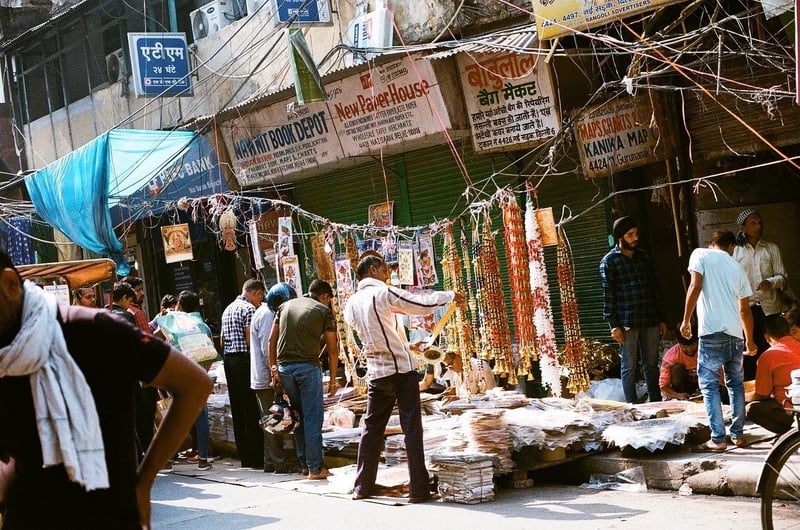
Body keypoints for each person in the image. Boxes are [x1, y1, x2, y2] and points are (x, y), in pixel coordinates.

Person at [0, 250, 212, 528]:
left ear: (9, 284)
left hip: (105, 515)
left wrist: (145, 480)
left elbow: (195, 384)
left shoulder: (94, 330)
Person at [344, 254, 464, 502]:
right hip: (400, 371)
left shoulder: (351, 304)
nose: (387, 273)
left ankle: (362, 487)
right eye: (385, 269)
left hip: (377, 373)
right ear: (374, 270)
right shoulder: (383, 293)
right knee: (412, 427)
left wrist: (408, 345)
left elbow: (378, 337)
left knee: (371, 429)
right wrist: (449, 296)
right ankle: (418, 490)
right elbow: (419, 304)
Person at [680, 230, 757, 452]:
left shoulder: (700, 254)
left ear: (712, 243)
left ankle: (718, 438)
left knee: (709, 385)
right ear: (731, 247)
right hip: (734, 336)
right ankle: (738, 435)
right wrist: (749, 341)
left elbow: (695, 285)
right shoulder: (738, 268)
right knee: (735, 385)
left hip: (711, 332)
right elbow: (745, 310)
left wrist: (686, 320)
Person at [268, 280, 338, 481]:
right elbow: (333, 351)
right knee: (313, 417)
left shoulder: (284, 306)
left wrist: (274, 369)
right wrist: (333, 382)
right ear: (325, 296)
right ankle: (315, 467)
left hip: (284, 369)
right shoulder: (323, 310)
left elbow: (271, 341)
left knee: (297, 417)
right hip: (308, 368)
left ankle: (304, 465)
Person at [600, 216, 667, 403]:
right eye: (630, 235)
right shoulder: (609, 262)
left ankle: (655, 401)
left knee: (651, 364)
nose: (635, 238)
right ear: (620, 237)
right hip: (626, 321)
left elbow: (655, 289)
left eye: (636, 234)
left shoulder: (644, 257)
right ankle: (632, 405)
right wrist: (613, 325)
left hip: (650, 318)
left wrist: (662, 318)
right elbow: (608, 296)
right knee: (628, 365)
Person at [155, 290, 215, 471]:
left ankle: (167, 460)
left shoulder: (171, 322)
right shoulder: (202, 325)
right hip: (197, 376)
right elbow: (210, 351)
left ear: (179, 306)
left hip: (178, 375)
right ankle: (203, 459)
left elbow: (154, 337)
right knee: (201, 418)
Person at [251, 282, 301, 474]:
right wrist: (275, 374)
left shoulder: (266, 313)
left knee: (269, 420)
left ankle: (270, 462)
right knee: (273, 421)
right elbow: (267, 349)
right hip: (266, 378)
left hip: (265, 375)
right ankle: (279, 463)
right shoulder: (267, 315)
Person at [733, 208, 789, 380]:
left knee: (773, 350)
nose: (758, 226)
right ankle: (753, 390)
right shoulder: (735, 251)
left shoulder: (771, 248)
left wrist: (770, 282)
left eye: (760, 222)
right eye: (753, 223)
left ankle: (776, 386)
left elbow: (783, 277)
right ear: (743, 228)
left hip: (770, 308)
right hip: (747, 310)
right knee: (750, 352)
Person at [220, 279, 265, 469]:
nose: (260, 301)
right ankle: (256, 457)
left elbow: (222, 341)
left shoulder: (228, 308)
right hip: (244, 361)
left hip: (229, 361)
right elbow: (250, 339)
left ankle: (245, 456)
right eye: (261, 296)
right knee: (250, 409)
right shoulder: (248, 309)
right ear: (256, 293)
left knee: (237, 408)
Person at [745, 314, 800, 434]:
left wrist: (741, 397)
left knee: (752, 409)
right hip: (795, 402)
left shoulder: (768, 356)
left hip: (792, 411)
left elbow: (762, 394)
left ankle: (788, 434)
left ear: (767, 337)